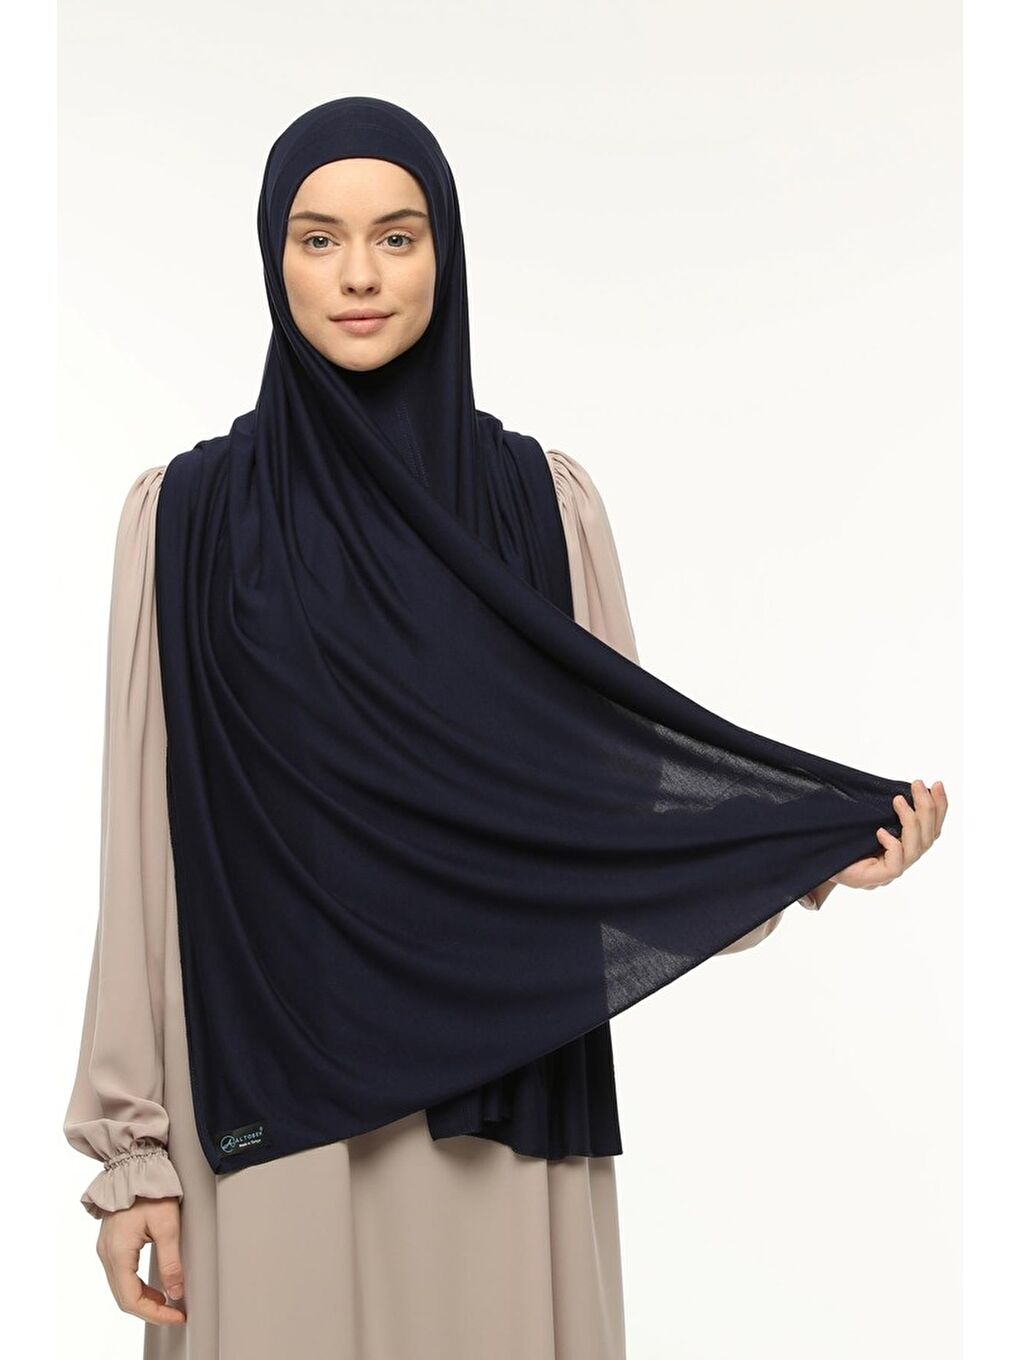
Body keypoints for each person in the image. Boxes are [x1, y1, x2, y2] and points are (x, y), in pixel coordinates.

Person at [63, 97, 947, 1359]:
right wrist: (132, 1156)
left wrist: (798, 855)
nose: (359, 275)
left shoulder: (540, 505)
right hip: (270, 1103)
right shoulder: (186, 520)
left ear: (447, 252)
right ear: (272, 258)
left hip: (500, 1098)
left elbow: (620, 804)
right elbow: (143, 848)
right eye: (318, 239)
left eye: (397, 236)